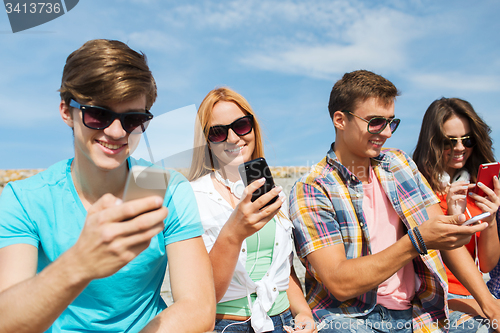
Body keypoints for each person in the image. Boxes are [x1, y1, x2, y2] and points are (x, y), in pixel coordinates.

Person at [0, 39, 215, 333]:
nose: (116, 132)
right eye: (98, 114)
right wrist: (79, 263)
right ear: (66, 111)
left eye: (133, 119)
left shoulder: (166, 189)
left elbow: (198, 307)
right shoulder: (24, 199)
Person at [289, 70, 500, 333]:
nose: (387, 132)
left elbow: (442, 236)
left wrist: (491, 306)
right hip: (347, 319)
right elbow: (339, 283)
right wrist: (416, 241)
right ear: (340, 120)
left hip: (418, 314)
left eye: (392, 122)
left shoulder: (398, 163)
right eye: (376, 122)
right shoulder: (312, 188)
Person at [188, 87, 316, 333]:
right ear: (206, 141)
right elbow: (200, 295)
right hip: (227, 325)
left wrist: (303, 312)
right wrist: (233, 234)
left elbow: (283, 272)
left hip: (283, 321)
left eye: (242, 126)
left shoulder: (274, 193)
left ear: (253, 127)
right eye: (217, 132)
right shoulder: (193, 198)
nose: (234, 138)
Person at [413, 97, 500, 316]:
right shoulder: (418, 192)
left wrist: (490, 219)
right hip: (438, 297)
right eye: (449, 141)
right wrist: (453, 219)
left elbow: (487, 265)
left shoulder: (475, 189)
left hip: (477, 294)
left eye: (467, 140)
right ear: (432, 142)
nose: (460, 148)